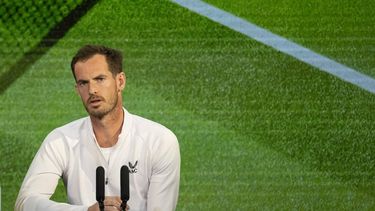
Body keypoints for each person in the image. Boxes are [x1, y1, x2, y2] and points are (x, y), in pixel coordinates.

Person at [15, 45, 180, 211]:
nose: (92, 90)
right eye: (83, 83)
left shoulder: (160, 141)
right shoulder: (60, 140)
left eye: (100, 79)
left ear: (120, 81)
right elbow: (25, 203)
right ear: (77, 89)